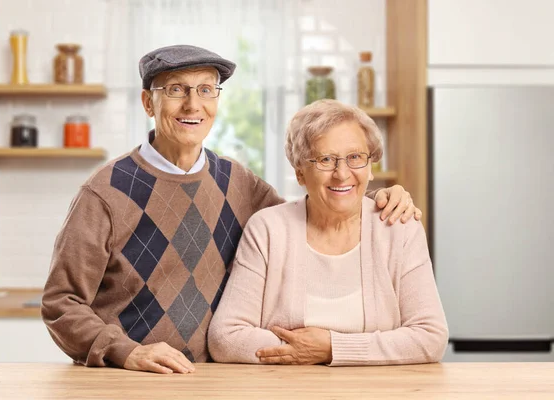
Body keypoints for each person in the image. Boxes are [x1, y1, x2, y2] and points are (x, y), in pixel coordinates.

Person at [41, 45, 422, 375]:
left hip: (213, 379)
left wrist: (381, 200)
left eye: (206, 89)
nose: (193, 104)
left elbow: (315, 215)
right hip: (128, 380)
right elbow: (61, 303)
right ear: (147, 102)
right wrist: (129, 353)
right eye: (176, 90)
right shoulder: (105, 191)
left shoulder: (236, 182)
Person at [208, 99, 448, 366]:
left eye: (355, 157)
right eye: (325, 160)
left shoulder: (399, 228)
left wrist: (333, 349)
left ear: (370, 168)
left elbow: (431, 337)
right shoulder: (267, 229)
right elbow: (225, 338)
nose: (342, 173)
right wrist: (302, 351)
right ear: (300, 173)